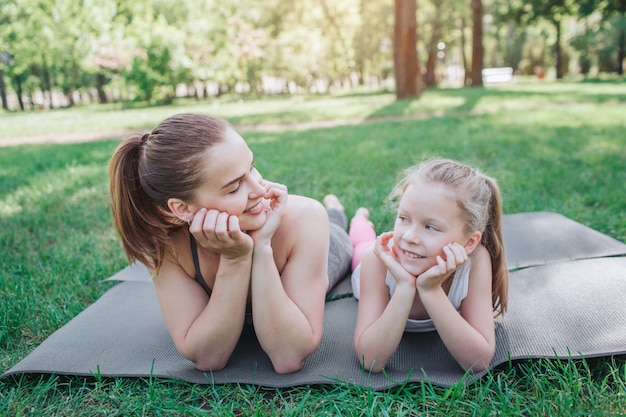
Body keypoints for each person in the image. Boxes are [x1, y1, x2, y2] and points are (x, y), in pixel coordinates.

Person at [109, 113, 352, 374]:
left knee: (338, 226)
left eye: (251, 168)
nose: (259, 190)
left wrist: (261, 247)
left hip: (327, 248)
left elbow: (289, 356)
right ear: (182, 208)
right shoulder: (166, 246)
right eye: (235, 187)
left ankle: (336, 209)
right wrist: (235, 259)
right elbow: (207, 358)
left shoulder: (305, 219)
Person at [336, 157, 508, 373]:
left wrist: (430, 289)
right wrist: (405, 287)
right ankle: (359, 221)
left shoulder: (476, 262)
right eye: (404, 218)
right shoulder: (377, 261)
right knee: (361, 246)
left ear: (470, 242)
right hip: (368, 265)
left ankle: (362, 221)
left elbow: (477, 361)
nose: (409, 237)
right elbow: (370, 360)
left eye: (431, 227)